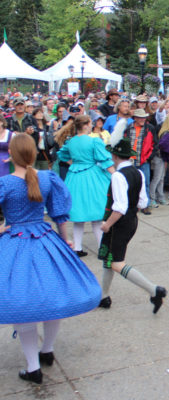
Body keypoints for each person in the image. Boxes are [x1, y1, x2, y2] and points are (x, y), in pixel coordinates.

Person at [0, 133, 101, 384]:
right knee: (52, 296)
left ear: (11, 155)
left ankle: (34, 367)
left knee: (23, 304)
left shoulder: (5, 183)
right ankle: (47, 351)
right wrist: (65, 240)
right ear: (33, 154)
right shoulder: (47, 178)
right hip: (46, 240)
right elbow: (59, 214)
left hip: (15, 243)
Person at [97, 126, 167, 313]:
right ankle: (103, 296)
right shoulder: (139, 173)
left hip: (119, 223)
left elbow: (119, 207)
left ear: (115, 156)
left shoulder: (118, 176)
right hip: (131, 221)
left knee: (117, 263)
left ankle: (154, 290)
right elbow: (143, 202)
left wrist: (107, 225)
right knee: (109, 259)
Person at [57, 115, 115, 257]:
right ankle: (103, 249)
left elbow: (62, 155)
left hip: (75, 177)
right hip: (92, 177)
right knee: (96, 215)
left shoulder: (71, 142)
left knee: (79, 216)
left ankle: (77, 248)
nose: (92, 126)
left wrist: (75, 164)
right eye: (90, 123)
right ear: (87, 125)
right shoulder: (94, 141)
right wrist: (116, 176)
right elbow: (105, 160)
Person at [123, 108, 155, 215]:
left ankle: (145, 205)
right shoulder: (128, 128)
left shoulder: (150, 128)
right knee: (131, 184)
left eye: (144, 117)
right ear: (135, 118)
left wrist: (149, 157)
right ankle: (132, 205)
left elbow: (155, 144)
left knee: (145, 183)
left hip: (144, 160)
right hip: (130, 160)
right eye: (140, 117)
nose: (142, 119)